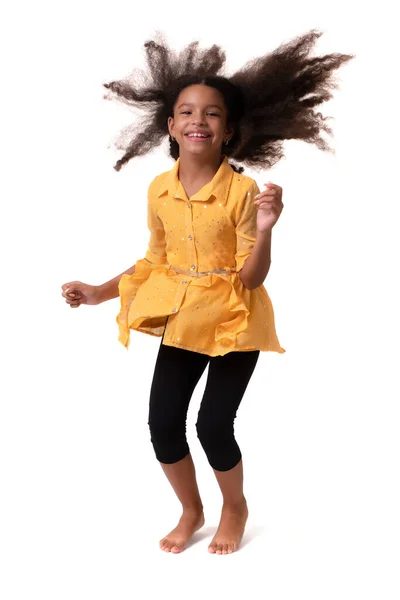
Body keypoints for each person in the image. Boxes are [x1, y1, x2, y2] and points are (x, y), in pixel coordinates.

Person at [61, 30, 353, 555]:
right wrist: (100, 292)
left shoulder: (243, 192)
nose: (199, 120)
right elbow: (154, 259)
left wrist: (266, 229)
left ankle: (234, 507)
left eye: (213, 113)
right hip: (183, 318)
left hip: (236, 321)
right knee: (163, 424)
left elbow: (250, 278)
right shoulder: (159, 188)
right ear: (170, 125)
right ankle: (191, 509)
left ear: (230, 130)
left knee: (214, 424)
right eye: (187, 112)